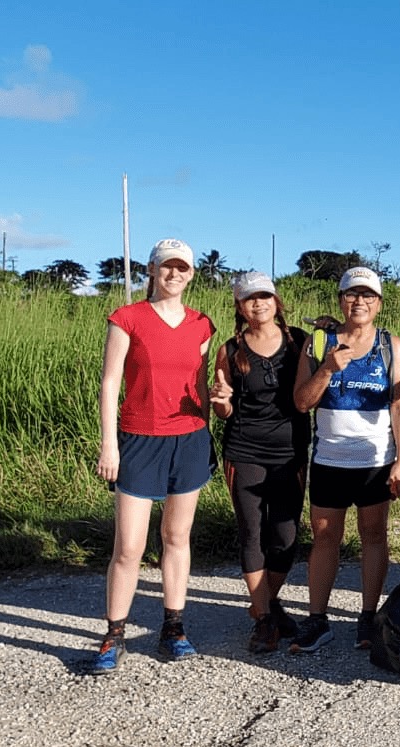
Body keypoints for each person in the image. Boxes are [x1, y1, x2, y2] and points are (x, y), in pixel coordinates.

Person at [91, 238, 216, 674]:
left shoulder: (202, 324)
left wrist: (211, 423)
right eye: (167, 267)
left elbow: (200, 384)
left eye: (182, 268)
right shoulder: (128, 318)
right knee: (128, 547)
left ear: (192, 274)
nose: (174, 274)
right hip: (140, 439)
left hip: (190, 438)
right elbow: (110, 383)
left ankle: (173, 627)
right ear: (152, 270)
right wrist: (110, 444)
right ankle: (114, 633)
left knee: (176, 538)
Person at [291, 267, 400, 652]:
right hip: (329, 459)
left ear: (378, 303)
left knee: (374, 537)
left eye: (368, 295)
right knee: (325, 537)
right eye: (352, 294)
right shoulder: (319, 341)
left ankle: (367, 618)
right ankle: (317, 619)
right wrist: (327, 368)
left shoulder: (392, 345)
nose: (359, 302)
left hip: (375, 459)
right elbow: (301, 402)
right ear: (340, 300)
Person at [209, 272, 312, 654]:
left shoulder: (299, 341)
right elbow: (225, 409)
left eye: (265, 297)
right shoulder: (230, 350)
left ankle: (266, 603)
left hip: (291, 450)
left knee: (285, 534)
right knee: (252, 531)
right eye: (250, 299)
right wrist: (220, 401)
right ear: (239, 306)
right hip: (244, 449)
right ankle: (266, 618)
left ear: (277, 301)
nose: (259, 304)